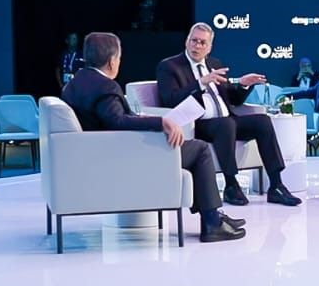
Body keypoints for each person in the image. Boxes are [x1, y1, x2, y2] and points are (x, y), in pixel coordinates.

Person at [61, 32, 244, 243]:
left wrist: (142, 118)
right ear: (112, 61)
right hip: (120, 156)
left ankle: (212, 215)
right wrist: (161, 122)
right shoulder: (106, 86)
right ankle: (212, 222)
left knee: (193, 149)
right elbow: (116, 122)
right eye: (119, 58)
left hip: (100, 152)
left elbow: (112, 118)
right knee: (200, 149)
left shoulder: (75, 83)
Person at [155, 23, 302, 207]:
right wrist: (200, 83)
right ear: (187, 41)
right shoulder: (170, 66)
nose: (197, 46)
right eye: (194, 41)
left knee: (262, 122)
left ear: (209, 47)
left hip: (226, 121)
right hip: (197, 124)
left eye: (202, 43)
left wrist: (243, 85)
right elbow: (170, 100)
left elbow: (234, 100)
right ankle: (231, 185)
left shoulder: (214, 64)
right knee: (226, 124)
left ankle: (276, 186)